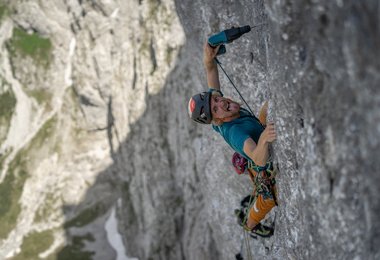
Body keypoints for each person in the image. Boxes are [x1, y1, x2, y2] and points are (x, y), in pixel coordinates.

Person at [188, 42, 277, 237]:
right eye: (216, 107)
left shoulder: (220, 111)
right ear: (217, 119)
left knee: (268, 107)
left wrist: (208, 59)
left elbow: (212, 74)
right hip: (256, 156)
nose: (222, 102)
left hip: (255, 134)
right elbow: (258, 158)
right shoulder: (234, 132)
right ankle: (249, 224)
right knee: (268, 198)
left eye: (217, 100)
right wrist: (263, 140)